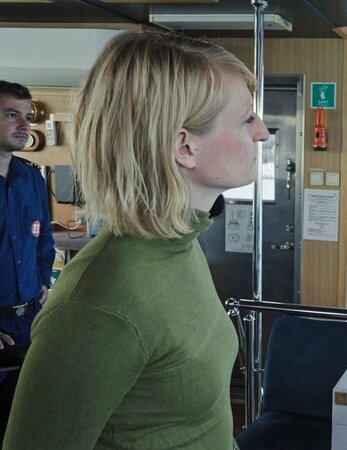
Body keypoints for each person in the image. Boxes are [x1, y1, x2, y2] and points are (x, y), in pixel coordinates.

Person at [4, 32, 269, 448]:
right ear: (185, 146)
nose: (263, 133)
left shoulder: (179, 245)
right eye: (246, 118)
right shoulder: (97, 306)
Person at [0, 80, 56, 436]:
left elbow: (43, 239)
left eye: (27, 116)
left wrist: (44, 283)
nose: (25, 125)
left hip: (28, 321)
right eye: (11, 115)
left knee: (23, 424)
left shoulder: (31, 178)